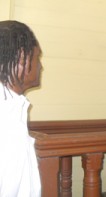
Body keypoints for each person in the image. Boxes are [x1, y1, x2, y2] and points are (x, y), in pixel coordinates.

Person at [0, 21, 43, 197]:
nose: (41, 66)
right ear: (22, 58)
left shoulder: (14, 108)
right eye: (37, 57)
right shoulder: (4, 117)